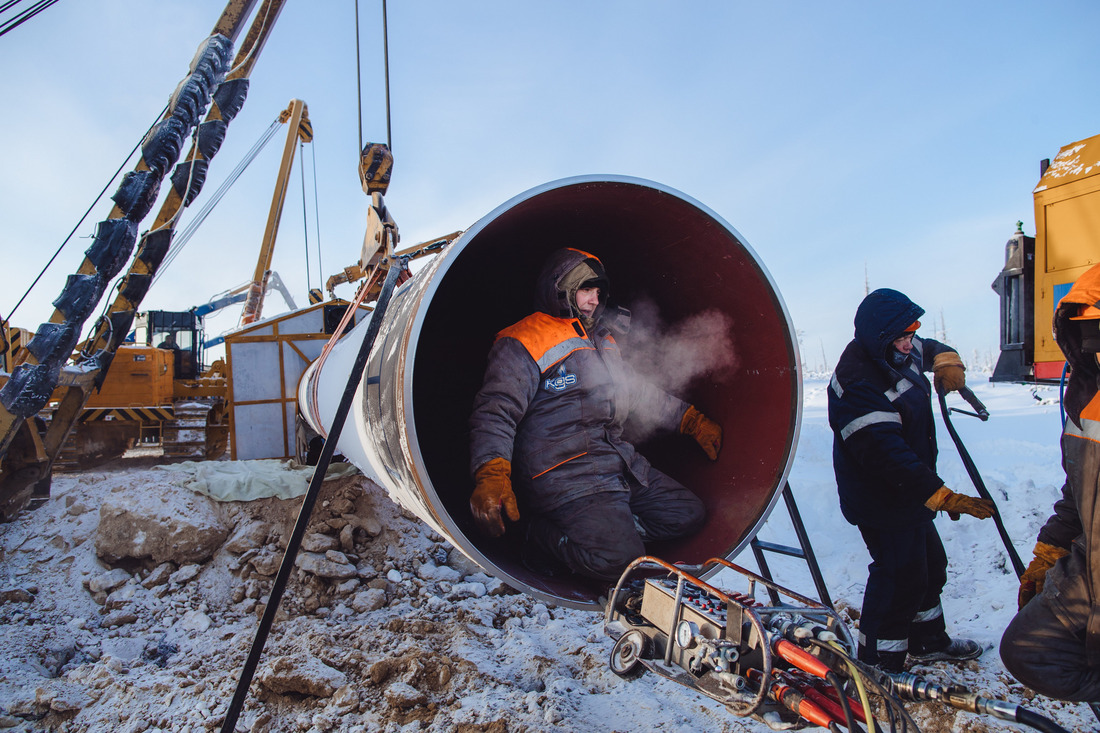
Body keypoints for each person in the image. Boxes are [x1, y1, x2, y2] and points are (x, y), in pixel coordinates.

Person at [467, 247, 722, 581]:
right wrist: (492, 473)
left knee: (687, 514)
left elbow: (638, 391)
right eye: (586, 289)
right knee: (621, 562)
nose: (594, 300)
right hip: (564, 474)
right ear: (562, 288)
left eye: (598, 292)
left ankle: (612, 532)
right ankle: (537, 534)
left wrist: (690, 420)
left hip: (617, 462)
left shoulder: (602, 340)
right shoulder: (523, 339)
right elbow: (496, 411)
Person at [827, 288, 995, 673]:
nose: (910, 344)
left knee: (930, 565)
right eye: (903, 338)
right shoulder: (858, 384)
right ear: (880, 338)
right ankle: (878, 664)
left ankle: (927, 640)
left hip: (911, 492)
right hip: (880, 497)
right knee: (898, 575)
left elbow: (927, 346)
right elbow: (889, 458)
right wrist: (940, 496)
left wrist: (947, 361)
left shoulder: (897, 346)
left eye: (911, 334)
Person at [1000, 263, 1100, 701]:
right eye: (1091, 338)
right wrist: (1052, 548)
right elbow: (1079, 489)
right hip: (1089, 569)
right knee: (1026, 650)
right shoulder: (1085, 393)